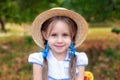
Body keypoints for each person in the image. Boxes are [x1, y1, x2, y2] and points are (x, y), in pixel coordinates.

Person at [28, 8, 88, 80]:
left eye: (65, 35)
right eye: (54, 35)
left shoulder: (79, 59)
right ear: (45, 35)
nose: (59, 40)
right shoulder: (39, 60)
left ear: (72, 35)